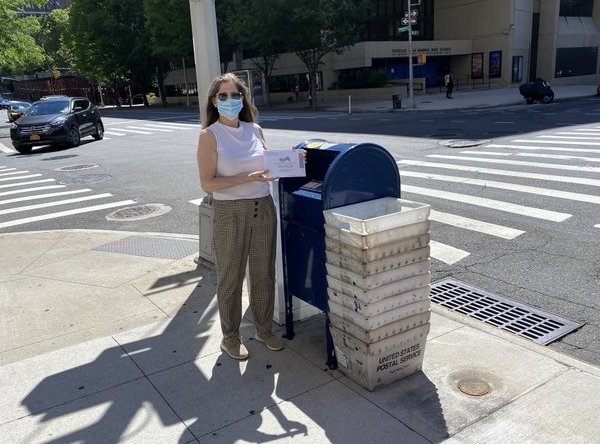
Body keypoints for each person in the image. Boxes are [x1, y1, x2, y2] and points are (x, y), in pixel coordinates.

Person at [196, 72, 283, 360]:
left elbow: (270, 166)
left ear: (244, 98)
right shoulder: (210, 136)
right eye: (223, 95)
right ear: (214, 100)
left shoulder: (255, 130)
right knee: (230, 277)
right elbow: (207, 184)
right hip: (229, 213)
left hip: (263, 208)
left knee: (263, 274)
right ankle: (230, 336)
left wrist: (292, 161)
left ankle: (263, 328)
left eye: (236, 94)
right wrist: (247, 177)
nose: (230, 100)